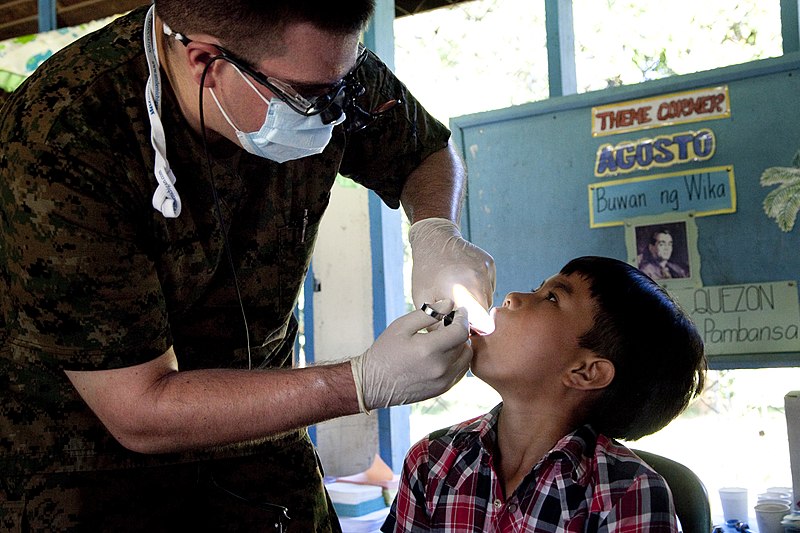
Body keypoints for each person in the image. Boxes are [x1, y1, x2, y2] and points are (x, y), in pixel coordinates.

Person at [0, 1, 495, 531]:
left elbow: (423, 150)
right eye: (307, 97)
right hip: (89, 468)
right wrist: (359, 383)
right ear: (205, 63)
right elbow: (139, 411)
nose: (334, 111)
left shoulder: (313, 63)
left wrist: (435, 232)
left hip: (264, 433)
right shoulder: (63, 143)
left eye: (342, 86)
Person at [382, 256, 707, 532]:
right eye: (539, 289)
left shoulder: (629, 495)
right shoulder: (430, 462)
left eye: (552, 298)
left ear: (585, 372)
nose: (512, 297)